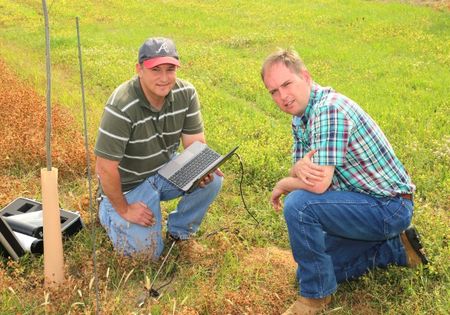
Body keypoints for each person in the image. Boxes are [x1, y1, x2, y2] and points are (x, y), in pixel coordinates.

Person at [261, 49, 428, 315]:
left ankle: (314, 298)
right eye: (273, 91)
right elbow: (302, 173)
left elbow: (316, 186)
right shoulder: (300, 116)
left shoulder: (329, 110)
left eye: (286, 84)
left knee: (299, 205)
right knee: (318, 268)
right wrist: (295, 169)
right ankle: (396, 249)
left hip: (388, 207)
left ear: (305, 76)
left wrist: (283, 184)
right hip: (361, 202)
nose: (282, 97)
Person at [94, 37, 223, 259]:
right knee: (147, 255)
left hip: (163, 171)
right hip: (128, 186)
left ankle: (179, 233)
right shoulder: (122, 105)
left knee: (213, 179)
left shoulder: (186, 93)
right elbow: (105, 167)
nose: (164, 78)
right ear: (139, 69)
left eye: (170, 69)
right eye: (156, 70)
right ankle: (108, 211)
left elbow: (195, 144)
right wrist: (125, 209)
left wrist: (202, 169)